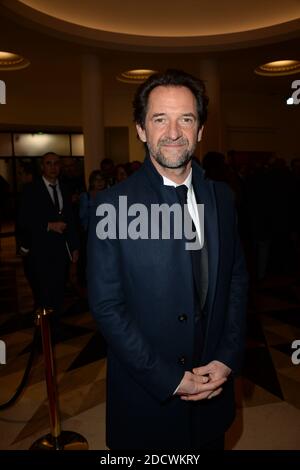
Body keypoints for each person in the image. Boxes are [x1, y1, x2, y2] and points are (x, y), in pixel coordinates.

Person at [87, 69, 248, 450]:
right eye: (160, 119)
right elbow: (107, 307)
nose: (173, 132)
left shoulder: (222, 198)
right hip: (147, 399)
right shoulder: (112, 206)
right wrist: (170, 379)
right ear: (141, 129)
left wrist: (227, 357)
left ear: (201, 129)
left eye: (186, 119)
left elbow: (237, 280)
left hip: (213, 393)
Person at [18, 152, 79, 339]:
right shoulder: (31, 190)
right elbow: (23, 221)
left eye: (56, 163)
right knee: (43, 292)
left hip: (60, 251)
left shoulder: (66, 188)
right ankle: (43, 331)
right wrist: (48, 225)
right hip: (39, 250)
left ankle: (55, 326)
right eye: (49, 163)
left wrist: (74, 247)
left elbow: (72, 220)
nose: (53, 167)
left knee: (59, 290)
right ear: (42, 167)